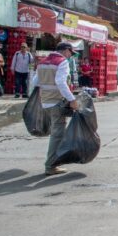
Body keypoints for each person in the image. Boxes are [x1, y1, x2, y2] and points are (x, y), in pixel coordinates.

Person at [32, 42, 80, 176]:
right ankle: (51, 166)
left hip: (45, 103)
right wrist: (72, 99)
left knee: (56, 132)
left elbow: (35, 82)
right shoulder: (62, 62)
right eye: (70, 53)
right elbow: (60, 82)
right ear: (65, 51)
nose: (70, 56)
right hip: (56, 102)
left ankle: (54, 162)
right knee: (57, 135)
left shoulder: (43, 62)